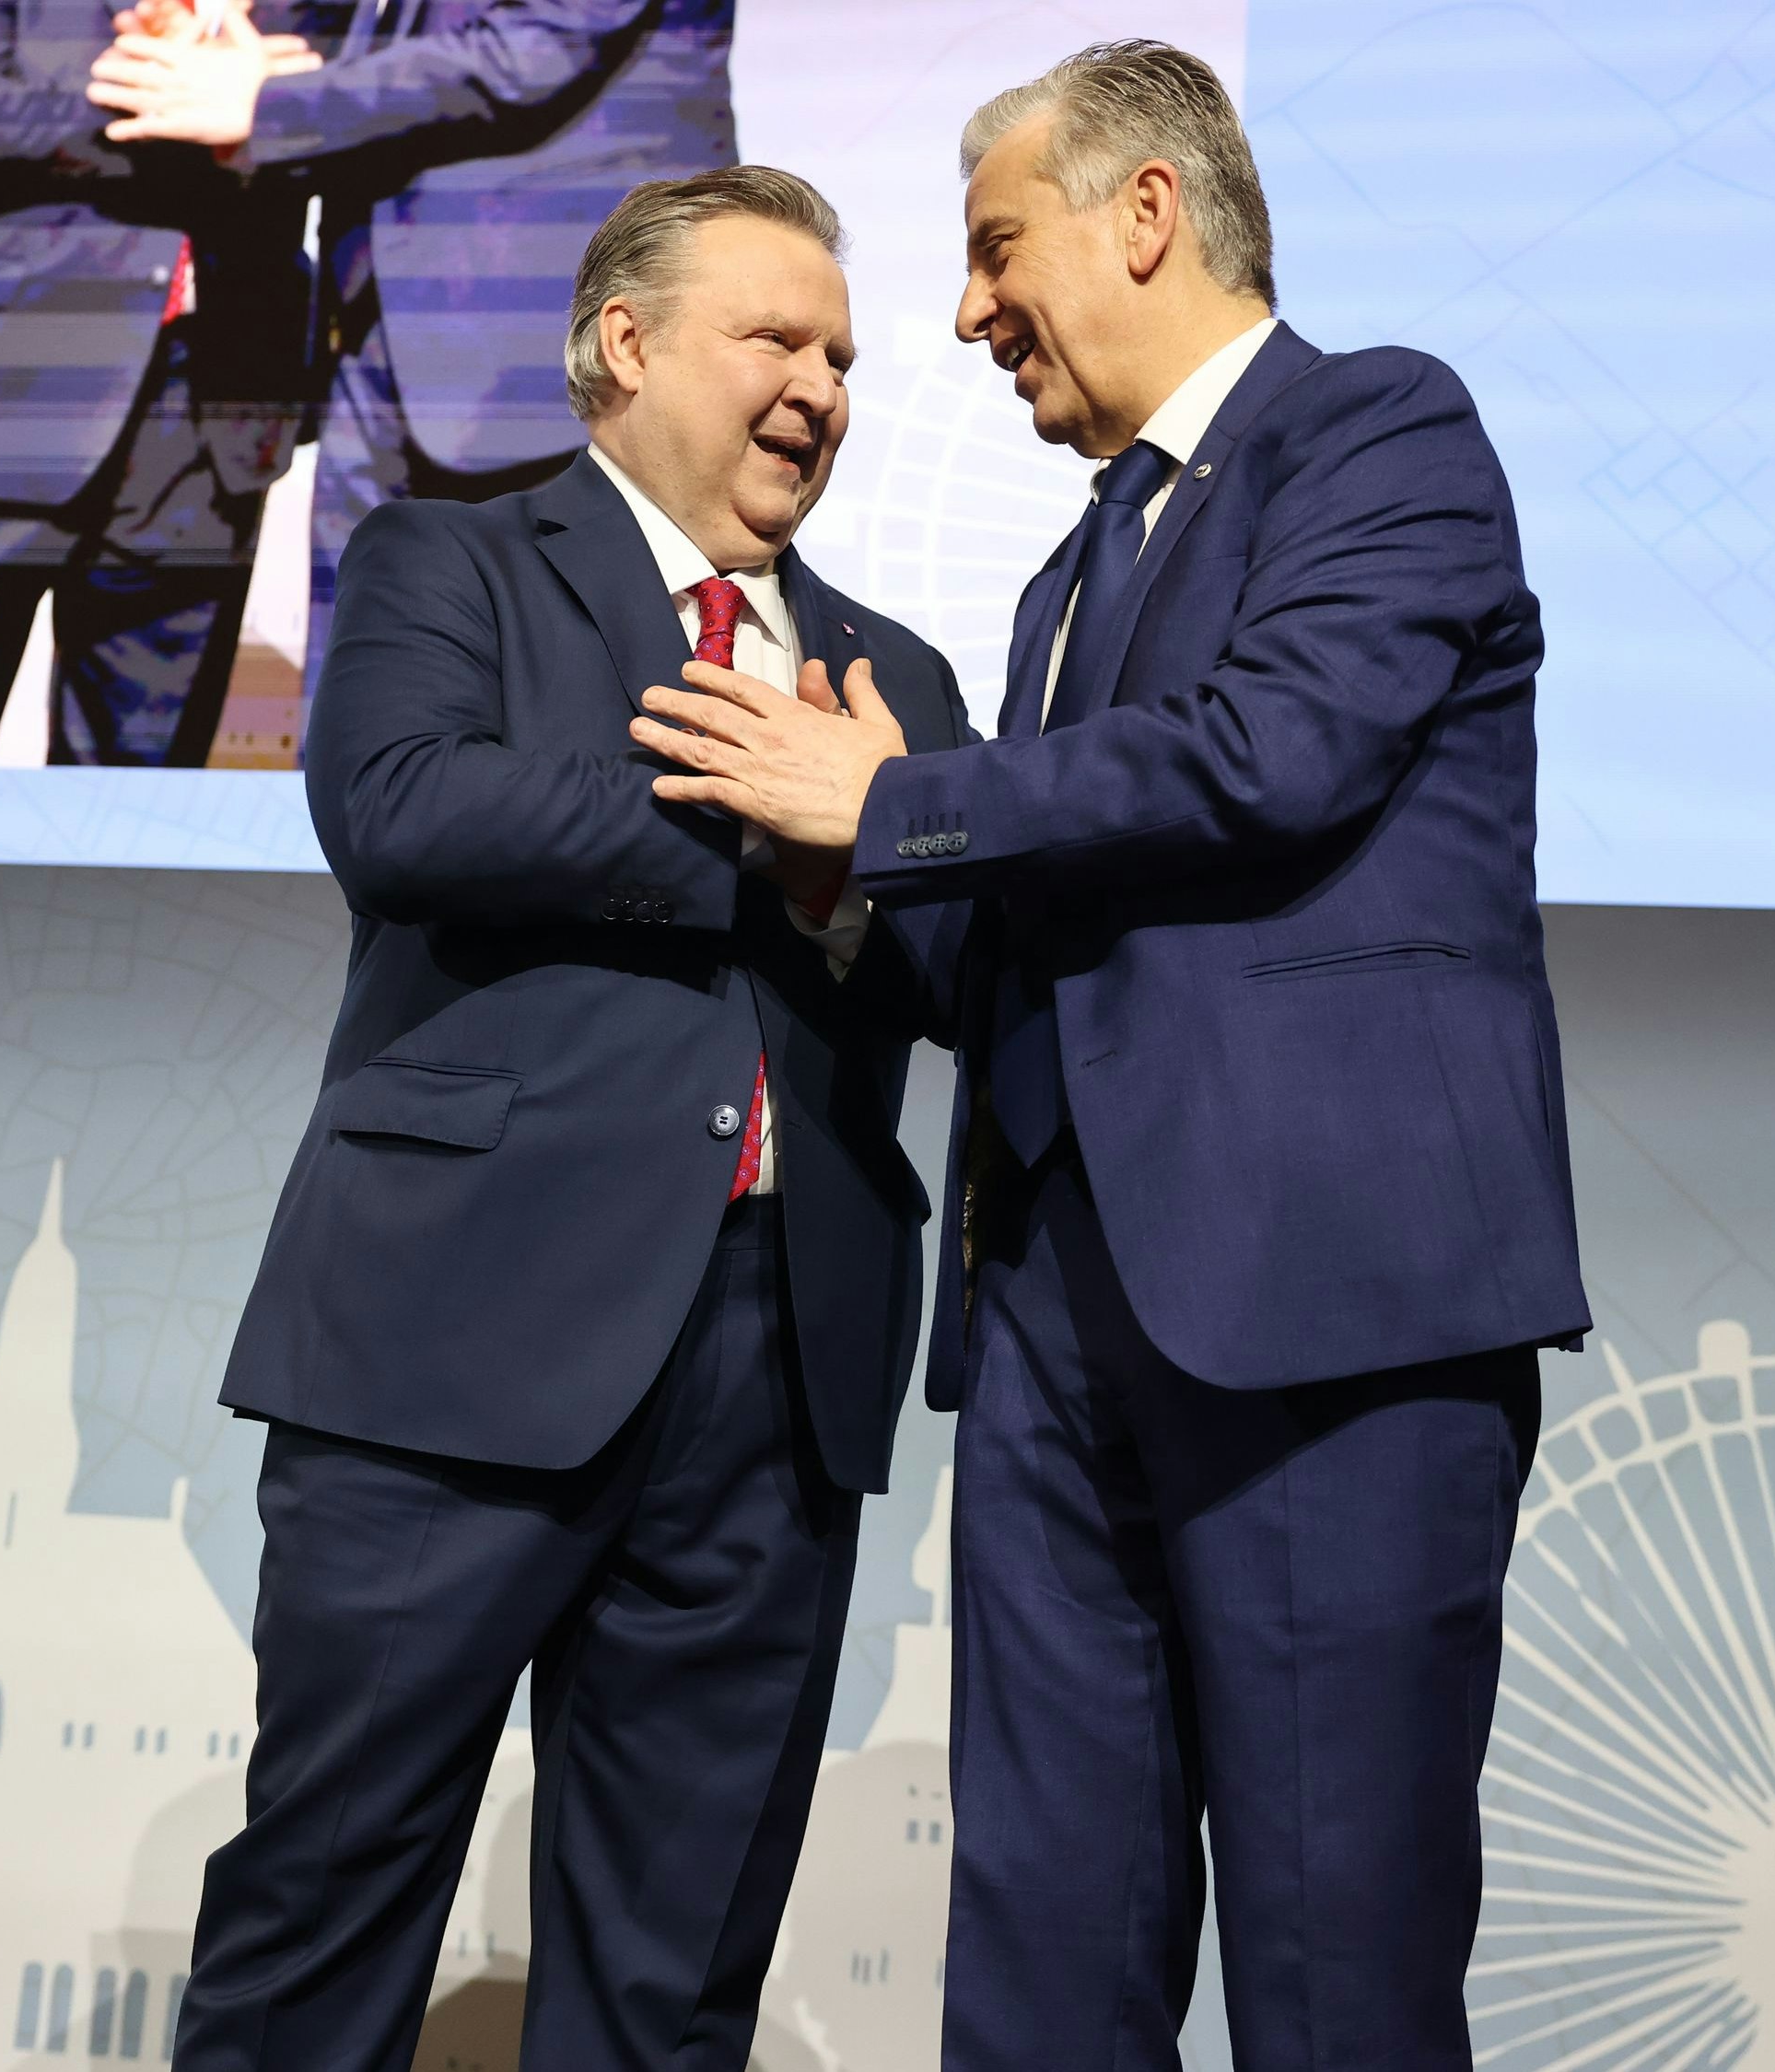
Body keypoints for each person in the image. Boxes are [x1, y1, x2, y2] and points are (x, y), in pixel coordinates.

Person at [629, 39, 1586, 2072]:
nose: (966, 315)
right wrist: (840, 883)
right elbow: (1030, 922)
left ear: (1142, 213)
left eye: (993, 251)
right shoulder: (1065, 577)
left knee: (1334, 1980)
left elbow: (1271, 755)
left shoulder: (1379, 433)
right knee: (1039, 1971)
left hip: (1324, 1321)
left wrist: (890, 807)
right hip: (1050, 1329)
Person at [179, 167, 970, 2072]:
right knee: (325, 1913)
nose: (824, 389)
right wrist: (778, 838)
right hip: (449, 1349)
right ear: (623, 346)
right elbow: (401, 812)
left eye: (844, 358)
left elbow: (966, 964)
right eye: (777, 338)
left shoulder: (898, 682)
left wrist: (862, 837)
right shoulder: (446, 560)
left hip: (776, 1379)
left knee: (670, 1966)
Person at [87, 0, 740, 716]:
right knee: (365, 704)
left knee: (590, 713)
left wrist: (267, 101)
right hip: (379, 329)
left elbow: (528, 51)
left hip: (561, 336)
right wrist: (221, 54)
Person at [0, 0, 324, 765]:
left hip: (210, 411)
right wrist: (175, 99)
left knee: (134, 783)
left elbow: (345, 130)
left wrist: (270, 107)